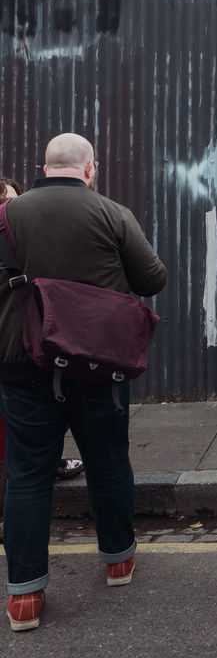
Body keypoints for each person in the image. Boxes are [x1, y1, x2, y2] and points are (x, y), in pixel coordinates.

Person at [0, 134, 167, 632]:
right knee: (108, 462)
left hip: (22, 365)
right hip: (98, 365)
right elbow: (153, 279)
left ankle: (24, 598)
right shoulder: (113, 215)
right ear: (91, 169)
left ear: (44, 167)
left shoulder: (7, 216)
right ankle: (118, 560)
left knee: (28, 475)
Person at [0, 174, 84, 485]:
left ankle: (48, 462)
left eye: (13, 202)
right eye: (3, 202)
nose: (8, 208)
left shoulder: (26, 235)